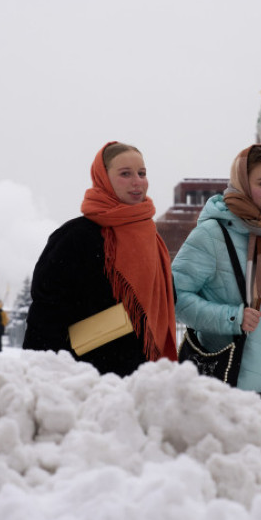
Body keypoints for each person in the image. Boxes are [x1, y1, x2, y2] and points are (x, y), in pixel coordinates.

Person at [23, 141, 177, 376]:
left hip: (143, 375)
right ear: (103, 178)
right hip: (86, 376)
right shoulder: (77, 236)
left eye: (142, 173)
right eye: (125, 174)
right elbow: (46, 312)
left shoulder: (152, 238)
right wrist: (42, 372)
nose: (137, 181)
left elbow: (166, 300)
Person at [173, 144, 261, 409]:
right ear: (242, 183)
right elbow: (176, 297)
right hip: (230, 381)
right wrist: (232, 317)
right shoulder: (212, 234)